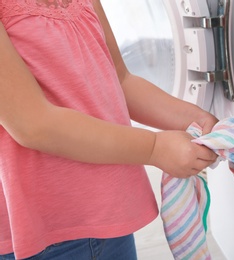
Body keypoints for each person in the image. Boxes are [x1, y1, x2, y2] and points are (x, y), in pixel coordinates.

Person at [0, 0, 218, 259]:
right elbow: (33, 124)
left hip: (109, 213)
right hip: (48, 230)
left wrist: (195, 117)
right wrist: (155, 148)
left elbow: (121, 80)